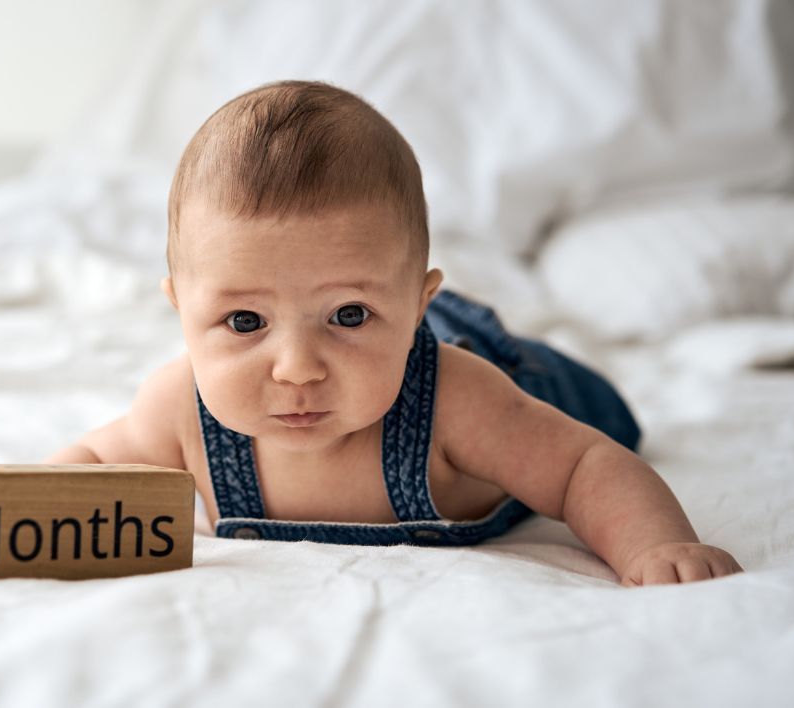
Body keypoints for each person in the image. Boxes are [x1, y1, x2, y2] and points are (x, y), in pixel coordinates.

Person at [46, 80, 743, 586]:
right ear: (180, 311)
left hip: (525, 380)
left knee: (588, 413)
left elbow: (584, 467)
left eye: (347, 315)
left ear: (416, 306)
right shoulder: (179, 410)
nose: (296, 368)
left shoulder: (460, 403)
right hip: (401, 349)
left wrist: (655, 546)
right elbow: (91, 463)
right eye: (244, 321)